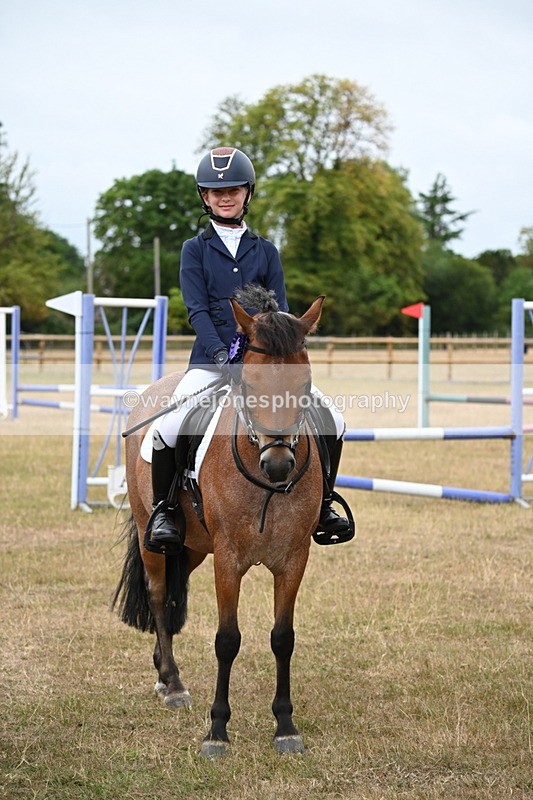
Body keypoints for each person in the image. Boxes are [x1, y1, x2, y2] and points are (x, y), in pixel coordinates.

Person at [147, 146, 353, 552]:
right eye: (215, 191)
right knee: (166, 428)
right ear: (204, 198)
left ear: (247, 194)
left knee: (334, 419)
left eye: (234, 190)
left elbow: (280, 313)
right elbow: (198, 311)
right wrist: (225, 356)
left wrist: (277, 359)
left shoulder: (266, 250)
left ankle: (325, 502)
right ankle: (165, 509)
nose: (225, 197)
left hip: (266, 366)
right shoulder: (195, 249)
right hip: (211, 362)